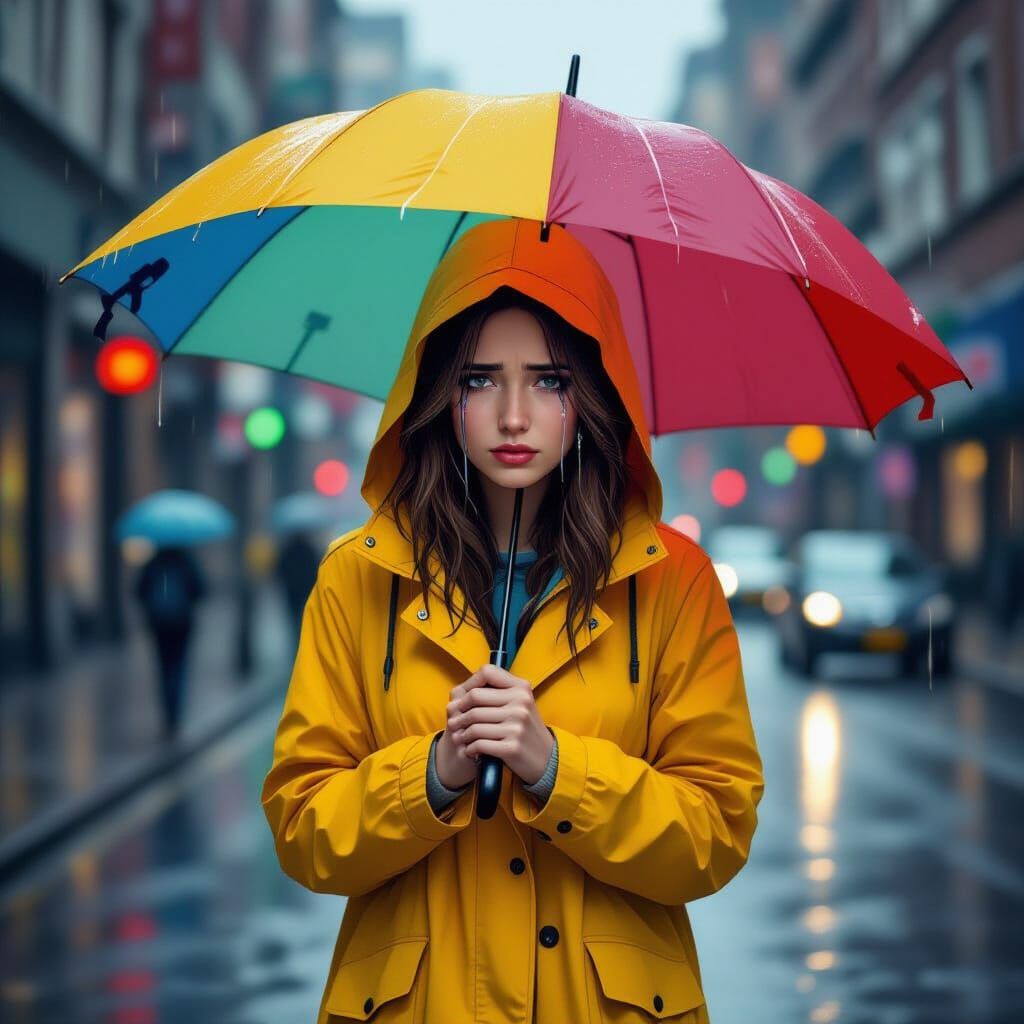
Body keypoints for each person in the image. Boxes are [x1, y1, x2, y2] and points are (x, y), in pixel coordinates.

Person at [261, 219, 764, 1024]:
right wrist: (433, 773)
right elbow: (302, 828)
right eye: (482, 380)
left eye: (550, 380)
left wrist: (557, 768)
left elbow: (715, 833)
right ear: (439, 396)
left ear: (593, 394)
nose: (515, 416)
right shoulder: (357, 578)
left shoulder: (674, 583)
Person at [134, 544, 207, 740]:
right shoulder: (186, 561)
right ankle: (175, 716)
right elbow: (201, 589)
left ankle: (167, 716)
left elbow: (138, 591)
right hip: (182, 624)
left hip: (159, 625)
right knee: (179, 667)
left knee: (164, 668)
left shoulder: (152, 563)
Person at [274, 530, 321, 647]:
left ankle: (296, 645)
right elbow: (316, 569)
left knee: (293, 619)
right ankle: (302, 643)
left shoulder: (287, 550)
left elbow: (280, 569)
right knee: (305, 619)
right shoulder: (309, 549)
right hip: (306, 591)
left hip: (291, 592)